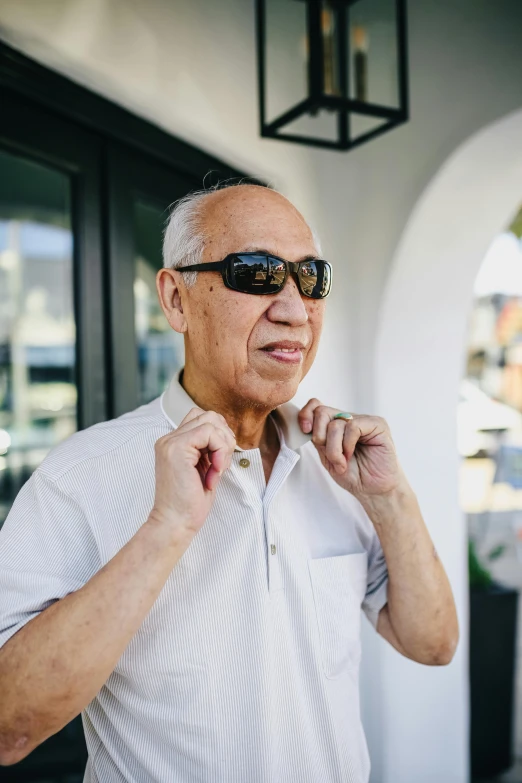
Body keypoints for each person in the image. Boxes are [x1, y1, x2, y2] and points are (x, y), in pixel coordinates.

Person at [0, 183, 459, 782]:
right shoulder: (81, 475)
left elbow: (433, 644)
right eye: (257, 273)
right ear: (176, 299)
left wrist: (389, 497)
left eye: (311, 278)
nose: (296, 309)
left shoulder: (337, 462)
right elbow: (11, 723)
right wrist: (166, 529)